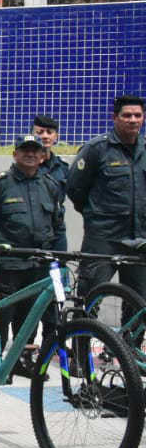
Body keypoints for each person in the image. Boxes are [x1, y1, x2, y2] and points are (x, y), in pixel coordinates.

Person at [0, 134, 66, 357]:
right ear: (15, 154)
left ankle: (22, 358)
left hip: (38, 262)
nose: (30, 154)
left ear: (42, 156)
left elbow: (57, 223)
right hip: (8, 263)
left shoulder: (50, 185)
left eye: (35, 151)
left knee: (31, 313)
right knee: (4, 313)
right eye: (25, 150)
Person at [69, 94, 146, 298]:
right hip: (103, 238)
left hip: (139, 237)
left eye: (137, 115)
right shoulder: (97, 149)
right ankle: (83, 331)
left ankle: (131, 332)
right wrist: (96, 214)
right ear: (114, 118)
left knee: (138, 302)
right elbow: (75, 188)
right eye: (127, 115)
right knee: (90, 297)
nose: (133, 120)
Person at [32, 115, 69, 198]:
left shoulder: (62, 168)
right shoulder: (24, 166)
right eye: (40, 132)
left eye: (49, 132)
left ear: (56, 137)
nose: (45, 136)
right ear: (32, 135)